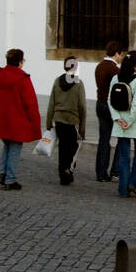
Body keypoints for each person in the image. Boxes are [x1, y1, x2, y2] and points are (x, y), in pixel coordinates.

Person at [0, 48, 41, 190]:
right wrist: (35, 122)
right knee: (15, 148)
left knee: (7, 146)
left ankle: (3, 173)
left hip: (2, 119)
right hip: (18, 121)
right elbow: (31, 103)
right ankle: (10, 179)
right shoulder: (23, 79)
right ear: (20, 62)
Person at [109, 50, 136, 198]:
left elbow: (109, 100)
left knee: (123, 156)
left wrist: (118, 118)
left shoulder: (115, 77)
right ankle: (134, 182)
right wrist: (130, 121)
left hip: (120, 123)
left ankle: (123, 189)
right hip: (135, 123)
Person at [46, 56, 86, 185]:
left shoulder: (57, 81)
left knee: (62, 147)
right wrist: (82, 126)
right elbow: (82, 106)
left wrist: (48, 122)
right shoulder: (78, 83)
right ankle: (68, 169)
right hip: (72, 120)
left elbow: (51, 102)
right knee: (73, 147)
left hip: (59, 119)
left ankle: (62, 173)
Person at [94, 42, 124, 182]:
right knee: (121, 138)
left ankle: (100, 173)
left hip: (100, 104)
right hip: (110, 107)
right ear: (117, 53)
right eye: (120, 54)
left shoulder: (99, 66)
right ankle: (115, 171)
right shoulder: (115, 70)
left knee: (103, 139)